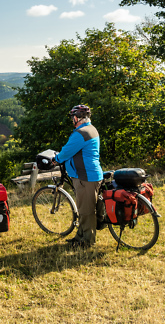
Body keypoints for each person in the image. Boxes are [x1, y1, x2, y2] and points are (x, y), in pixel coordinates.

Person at [54, 104, 103, 248]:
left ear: (77, 118)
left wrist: (56, 159)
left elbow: (66, 152)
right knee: (83, 208)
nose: (72, 120)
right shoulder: (91, 129)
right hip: (89, 175)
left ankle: (87, 241)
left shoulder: (81, 133)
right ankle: (80, 236)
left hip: (85, 177)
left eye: (72, 117)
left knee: (86, 211)